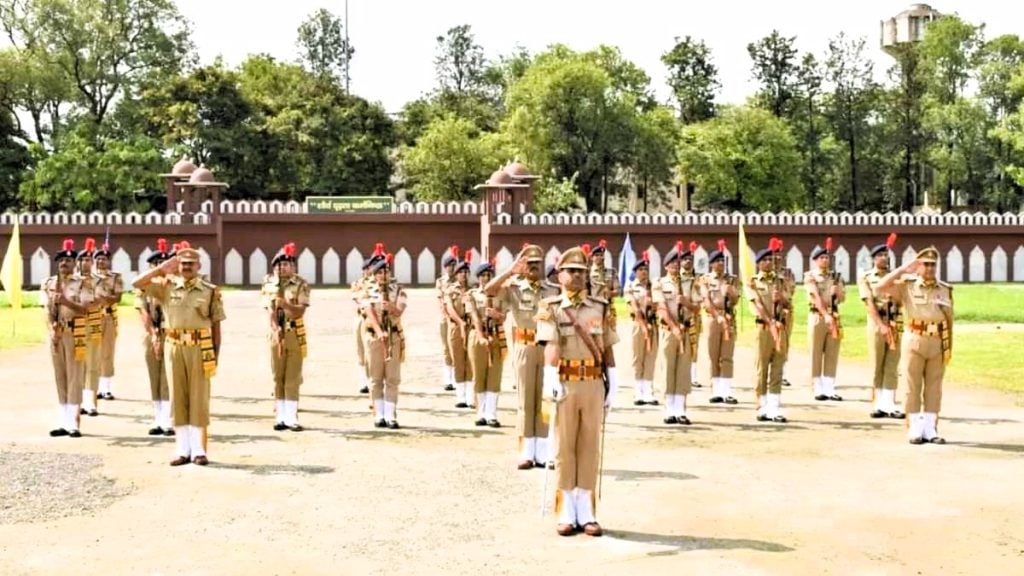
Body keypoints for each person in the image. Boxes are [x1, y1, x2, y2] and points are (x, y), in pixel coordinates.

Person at [537, 246, 619, 537]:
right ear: (559, 275)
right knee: (564, 447)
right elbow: (552, 344)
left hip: (594, 383)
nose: (577, 276)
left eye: (581, 272)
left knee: (589, 446)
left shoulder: (601, 307)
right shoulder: (551, 307)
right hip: (567, 383)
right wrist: (550, 375)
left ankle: (586, 510)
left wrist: (614, 378)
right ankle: (566, 509)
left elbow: (606, 345)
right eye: (571, 271)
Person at [133, 242, 225, 466]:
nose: (186, 267)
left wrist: (215, 355)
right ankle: (182, 450)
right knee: (178, 397)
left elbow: (216, 328)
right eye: (182, 263)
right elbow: (137, 283)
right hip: (174, 346)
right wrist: (161, 268)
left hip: (199, 347)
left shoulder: (210, 291)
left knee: (198, 398)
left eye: (191, 264)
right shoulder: (166, 286)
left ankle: (199, 451)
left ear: (198, 265)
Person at [876, 247, 953, 444]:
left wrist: (948, 343)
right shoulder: (907, 285)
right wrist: (904, 269)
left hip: (937, 339)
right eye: (925, 264)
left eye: (933, 265)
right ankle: (915, 428)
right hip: (915, 338)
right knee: (913, 384)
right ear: (918, 266)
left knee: (934, 386)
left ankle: (930, 429)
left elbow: (950, 318)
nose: (929, 268)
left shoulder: (944, 288)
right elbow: (880, 287)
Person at [484, 245, 551, 469]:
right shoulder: (514, 288)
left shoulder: (551, 290)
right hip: (524, 346)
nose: (533, 268)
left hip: (547, 347)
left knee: (544, 400)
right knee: (526, 400)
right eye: (529, 264)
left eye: (537, 264)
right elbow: (489, 291)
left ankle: (542, 452)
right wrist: (510, 271)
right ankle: (526, 452)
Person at [44, 239, 91, 438]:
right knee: (60, 376)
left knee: (75, 376)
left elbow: (86, 309)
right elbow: (46, 309)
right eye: (61, 260)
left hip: (76, 332)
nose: (64, 263)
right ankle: (63, 422)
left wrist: (65, 301)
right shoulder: (49, 283)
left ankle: (74, 424)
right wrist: (51, 328)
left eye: (68, 261)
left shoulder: (83, 284)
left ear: (75, 264)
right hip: (58, 334)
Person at [263, 242, 311, 432]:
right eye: (278, 265)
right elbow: (269, 309)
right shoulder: (268, 284)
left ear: (293, 266)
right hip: (277, 333)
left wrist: (286, 305)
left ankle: (291, 417)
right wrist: (275, 329)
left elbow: (300, 311)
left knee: (292, 375)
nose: (282, 267)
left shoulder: (301, 284)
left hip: (294, 332)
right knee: (278, 375)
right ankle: (280, 416)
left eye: (286, 264)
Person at [652, 242, 699, 425]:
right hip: (669, 330)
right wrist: (674, 327)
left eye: (677, 263)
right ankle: (669, 408)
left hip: (686, 330)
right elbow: (661, 308)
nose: (675, 266)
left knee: (683, 370)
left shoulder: (689, 283)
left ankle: (680, 409)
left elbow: (696, 308)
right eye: (672, 263)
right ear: (666, 266)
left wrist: (686, 302)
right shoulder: (659, 283)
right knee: (668, 368)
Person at [859, 234, 905, 419]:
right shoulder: (866, 277)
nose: (884, 258)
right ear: (874, 258)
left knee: (892, 364)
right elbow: (868, 303)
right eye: (880, 255)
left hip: (894, 321)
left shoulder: (896, 277)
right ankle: (877, 403)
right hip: (877, 323)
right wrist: (880, 325)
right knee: (877, 363)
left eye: (886, 255)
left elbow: (902, 299)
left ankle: (890, 403)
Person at [359, 251, 407, 429]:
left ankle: (390, 414)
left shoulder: (398, 290)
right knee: (375, 377)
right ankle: (378, 414)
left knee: (392, 377)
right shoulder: (367, 290)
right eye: (379, 272)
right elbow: (368, 312)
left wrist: (392, 307)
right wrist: (379, 331)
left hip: (393, 336)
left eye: (385, 271)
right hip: (375, 336)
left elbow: (400, 311)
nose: (383, 275)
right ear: (375, 274)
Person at [135, 239, 174, 436]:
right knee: (154, 376)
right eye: (156, 265)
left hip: (170, 334)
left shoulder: (173, 286)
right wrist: (153, 334)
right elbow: (142, 310)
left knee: (167, 377)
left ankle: (168, 420)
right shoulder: (145, 287)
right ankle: (158, 419)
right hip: (151, 334)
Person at [748, 246, 790, 423]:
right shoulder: (753, 282)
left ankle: (774, 406)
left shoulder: (780, 281)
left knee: (778, 367)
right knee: (762, 367)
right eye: (764, 260)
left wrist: (781, 298)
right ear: (758, 264)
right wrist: (769, 321)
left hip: (780, 328)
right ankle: (762, 405)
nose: (768, 263)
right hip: (764, 329)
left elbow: (789, 303)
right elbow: (756, 305)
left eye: (769, 260)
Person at [466, 261, 506, 427]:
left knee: (494, 376)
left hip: (497, 336)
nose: (486, 278)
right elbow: (474, 316)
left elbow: (505, 316)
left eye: (489, 275)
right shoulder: (472, 294)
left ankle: (491, 413)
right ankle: (481, 412)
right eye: (483, 276)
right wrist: (481, 336)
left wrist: (497, 314)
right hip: (478, 336)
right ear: (478, 278)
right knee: (479, 374)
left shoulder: (501, 294)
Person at [806, 240, 845, 402]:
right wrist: (825, 314)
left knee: (832, 352)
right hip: (818, 316)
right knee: (816, 351)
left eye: (827, 258)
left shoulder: (836, 277)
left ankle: (829, 386)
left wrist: (838, 291)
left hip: (834, 315)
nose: (825, 260)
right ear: (815, 260)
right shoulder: (810, 276)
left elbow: (843, 299)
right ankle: (817, 386)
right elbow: (814, 296)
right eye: (821, 258)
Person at [703, 241, 739, 404]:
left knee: (727, 356)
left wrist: (731, 293)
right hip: (713, 318)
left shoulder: (731, 280)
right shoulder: (705, 279)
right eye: (717, 261)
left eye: (722, 261)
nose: (720, 264)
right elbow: (706, 301)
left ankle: (726, 391)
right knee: (713, 354)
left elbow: (736, 300)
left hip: (729, 317)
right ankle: (716, 390)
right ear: (711, 264)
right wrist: (717, 315)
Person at [77, 238, 109, 417]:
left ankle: (91, 403)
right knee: (78, 366)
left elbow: (104, 299)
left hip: (94, 323)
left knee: (93, 365)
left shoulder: (99, 281)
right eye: (82, 260)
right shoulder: (72, 280)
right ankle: (79, 401)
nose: (86, 263)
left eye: (89, 260)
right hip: (77, 325)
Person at [624, 252, 658, 406]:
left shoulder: (654, 286)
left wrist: (654, 303)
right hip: (638, 324)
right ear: (635, 271)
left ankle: (649, 391)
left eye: (646, 269)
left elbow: (660, 305)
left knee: (650, 357)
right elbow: (631, 305)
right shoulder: (630, 287)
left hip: (653, 324)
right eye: (641, 269)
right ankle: (638, 391)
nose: (644, 271)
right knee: (638, 357)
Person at [353, 243, 386, 394]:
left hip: (383, 320)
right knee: (363, 351)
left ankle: (379, 379)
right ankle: (364, 380)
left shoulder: (385, 284)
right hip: (364, 320)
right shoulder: (360, 284)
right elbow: (360, 302)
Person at [93, 243, 123, 400]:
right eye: (98, 259)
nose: (100, 262)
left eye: (103, 259)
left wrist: (101, 298)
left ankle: (106, 388)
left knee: (107, 352)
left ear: (109, 261)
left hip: (108, 317)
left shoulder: (115, 277)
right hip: (92, 318)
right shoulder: (88, 278)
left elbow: (117, 297)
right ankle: (94, 387)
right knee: (93, 353)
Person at [445, 254, 474, 409]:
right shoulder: (450, 290)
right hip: (456, 328)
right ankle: (460, 396)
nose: (464, 274)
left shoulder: (473, 290)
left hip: (471, 328)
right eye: (461, 272)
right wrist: (460, 322)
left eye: (466, 272)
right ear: (456, 275)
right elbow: (449, 308)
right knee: (458, 360)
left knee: (470, 361)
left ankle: (470, 396)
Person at [679, 242, 703, 388]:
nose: (688, 261)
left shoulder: (698, 279)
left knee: (694, 345)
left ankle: (692, 375)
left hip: (693, 315)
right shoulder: (676, 277)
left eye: (690, 259)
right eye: (685, 259)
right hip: (678, 316)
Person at [438, 246, 459, 392]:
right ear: (445, 267)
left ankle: (458, 378)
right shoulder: (441, 281)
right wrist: (446, 313)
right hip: (446, 319)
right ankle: (448, 379)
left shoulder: (459, 281)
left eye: (453, 265)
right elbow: (440, 300)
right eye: (449, 266)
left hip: (458, 319)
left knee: (457, 349)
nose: (451, 268)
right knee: (446, 348)